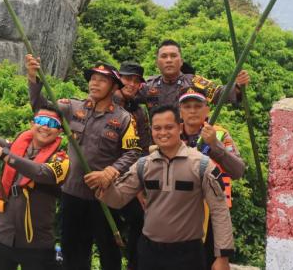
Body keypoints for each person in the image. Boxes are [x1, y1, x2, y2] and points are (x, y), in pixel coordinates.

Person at [26, 55, 141, 270]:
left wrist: (111, 171)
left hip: (104, 196)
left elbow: (133, 151)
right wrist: (33, 79)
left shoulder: (124, 118)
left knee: (109, 252)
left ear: (114, 86)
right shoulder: (72, 107)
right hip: (72, 194)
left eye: (102, 80)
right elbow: (41, 108)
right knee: (72, 251)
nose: (95, 83)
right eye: (93, 78)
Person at [96, 104, 235, 270]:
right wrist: (105, 184)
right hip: (150, 252)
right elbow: (118, 200)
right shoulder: (144, 165)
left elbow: (219, 210)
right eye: (157, 128)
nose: (162, 133)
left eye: (169, 127)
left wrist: (222, 257)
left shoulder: (202, 165)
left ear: (180, 127)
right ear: (151, 131)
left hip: (188, 254)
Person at [0, 90, 70, 270]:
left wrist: (4, 155)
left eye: (52, 123)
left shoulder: (62, 159)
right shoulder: (15, 146)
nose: (45, 127)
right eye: (41, 121)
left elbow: (41, 172)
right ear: (32, 124)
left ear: (59, 131)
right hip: (3, 234)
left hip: (37, 242)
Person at [179, 89, 245, 269]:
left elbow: (238, 171)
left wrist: (214, 145)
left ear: (207, 110)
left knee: (209, 261)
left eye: (198, 106)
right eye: (187, 106)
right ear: (180, 112)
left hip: (213, 211)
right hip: (179, 210)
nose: (192, 111)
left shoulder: (220, 134)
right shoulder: (171, 134)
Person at [137, 40, 250, 111]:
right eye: (164, 56)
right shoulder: (149, 85)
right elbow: (127, 94)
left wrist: (238, 86)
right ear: (157, 62)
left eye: (173, 56)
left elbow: (219, 94)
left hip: (191, 144)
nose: (169, 60)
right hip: (158, 143)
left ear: (181, 61)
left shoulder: (195, 81)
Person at [112, 61, 149, 270]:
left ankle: (133, 264)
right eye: (127, 79)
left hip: (129, 177)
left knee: (141, 218)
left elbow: (144, 147)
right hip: (103, 175)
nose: (132, 84)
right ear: (118, 79)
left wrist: (139, 185)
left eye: (136, 81)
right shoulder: (105, 102)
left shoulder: (139, 111)